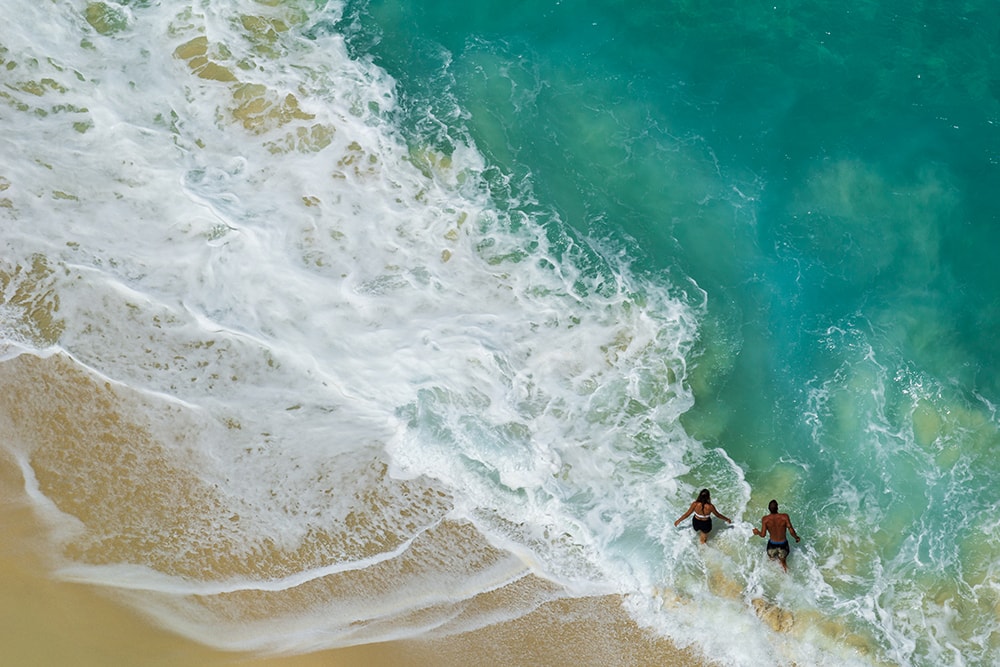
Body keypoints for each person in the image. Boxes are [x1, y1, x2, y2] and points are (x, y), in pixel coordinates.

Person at [753, 499, 800, 572]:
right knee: (783, 563)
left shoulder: (765, 519)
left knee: (772, 561)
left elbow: (763, 535)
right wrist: (796, 538)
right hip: (783, 545)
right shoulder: (784, 517)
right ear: (777, 507)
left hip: (772, 545)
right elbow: (791, 530)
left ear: (769, 509)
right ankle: (786, 575)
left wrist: (757, 532)